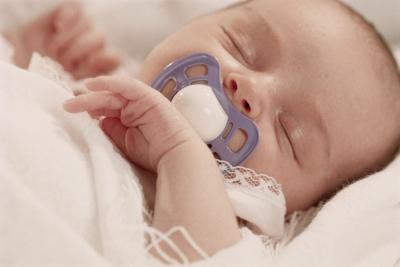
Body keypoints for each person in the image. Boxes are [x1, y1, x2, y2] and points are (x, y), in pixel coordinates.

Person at [2, 0, 400, 262]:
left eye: (288, 132)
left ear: (306, 207)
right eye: (241, 46)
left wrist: (179, 154)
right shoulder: (108, 78)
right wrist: (32, 56)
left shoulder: (233, 215)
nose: (251, 90)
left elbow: (198, 257)